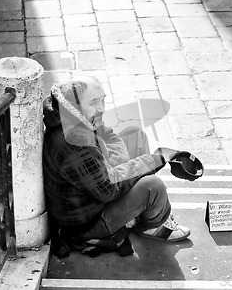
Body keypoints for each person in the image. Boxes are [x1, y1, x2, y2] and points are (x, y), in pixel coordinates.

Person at [42, 75, 190, 249]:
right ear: (75, 105)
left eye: (103, 100)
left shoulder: (77, 114)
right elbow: (108, 188)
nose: (102, 108)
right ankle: (153, 225)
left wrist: (118, 159)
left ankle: (136, 212)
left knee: (135, 135)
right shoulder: (76, 143)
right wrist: (156, 159)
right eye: (94, 102)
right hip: (88, 223)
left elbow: (107, 134)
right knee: (153, 186)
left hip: (94, 189)